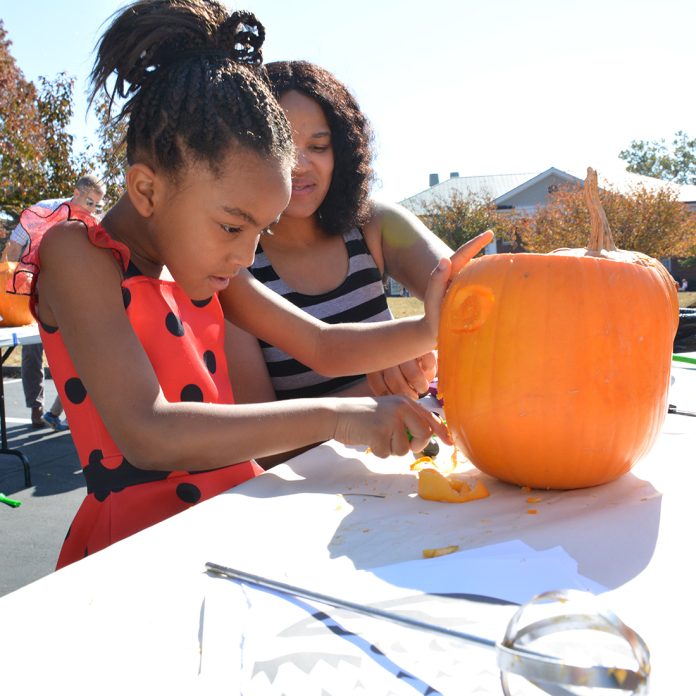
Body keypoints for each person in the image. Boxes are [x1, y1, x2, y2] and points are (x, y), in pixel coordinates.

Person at [22, 0, 489, 569]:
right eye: (232, 226)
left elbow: (322, 343)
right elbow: (148, 432)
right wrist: (342, 418)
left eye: (260, 231)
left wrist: (431, 326)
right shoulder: (78, 254)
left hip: (233, 519)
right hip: (139, 552)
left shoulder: (206, 263)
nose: (246, 253)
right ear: (145, 191)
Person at [225, 60, 480, 466]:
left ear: (341, 152)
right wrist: (374, 388)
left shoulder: (375, 224)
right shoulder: (232, 265)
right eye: (283, 147)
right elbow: (258, 447)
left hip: (412, 473)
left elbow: (466, 294)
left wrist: (420, 350)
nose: (300, 165)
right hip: (306, 500)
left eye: (319, 146)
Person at [3, 174, 105, 430]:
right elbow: (13, 249)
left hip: (64, 292)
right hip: (30, 288)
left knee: (75, 351)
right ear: (76, 192)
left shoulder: (90, 223)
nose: (91, 208)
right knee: (32, 350)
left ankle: (58, 412)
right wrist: (13, 283)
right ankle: (37, 409)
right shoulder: (43, 210)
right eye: (89, 202)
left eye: (96, 205)